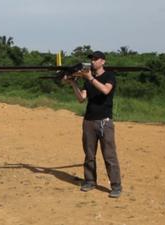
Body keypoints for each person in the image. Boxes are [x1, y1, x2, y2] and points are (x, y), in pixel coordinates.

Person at [65, 51, 122, 198]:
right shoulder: (87, 80)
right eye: (92, 59)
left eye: (96, 59)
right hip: (89, 121)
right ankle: (90, 181)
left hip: (104, 121)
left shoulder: (109, 76)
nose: (93, 61)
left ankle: (116, 186)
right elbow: (81, 98)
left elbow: (105, 90)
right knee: (89, 155)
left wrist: (90, 77)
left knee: (109, 155)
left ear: (103, 61)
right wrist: (73, 83)